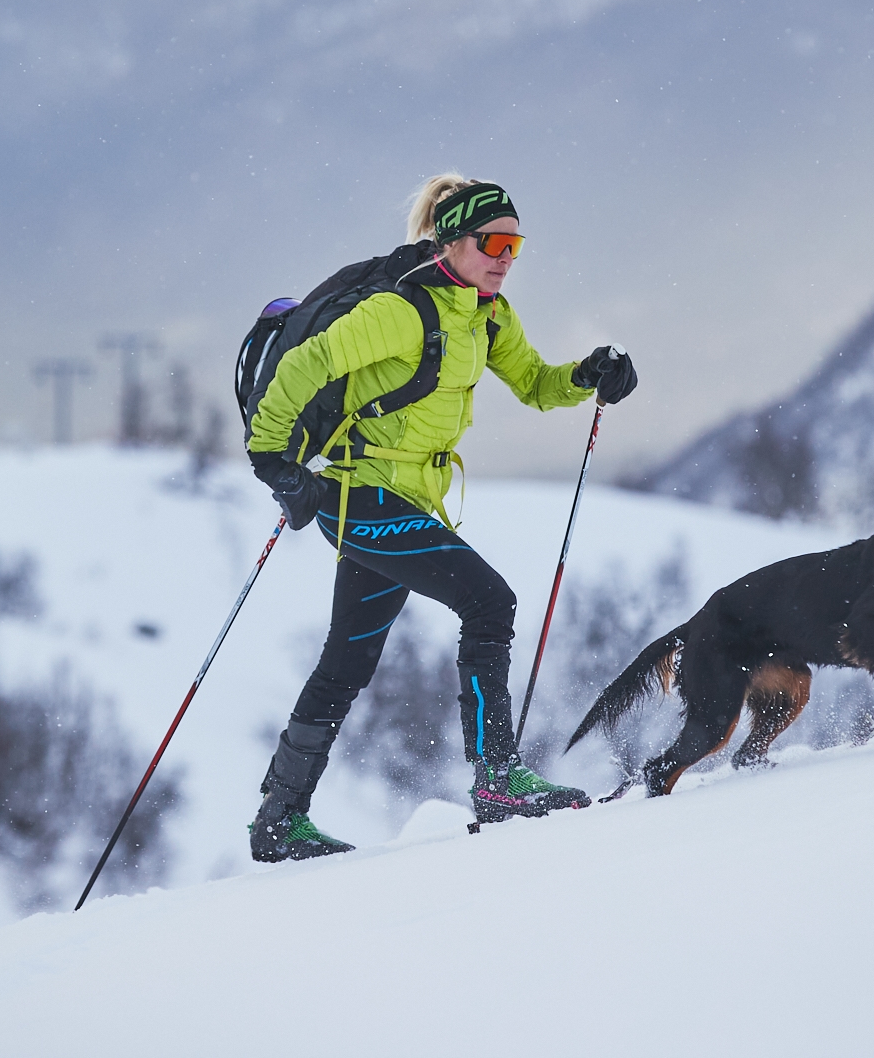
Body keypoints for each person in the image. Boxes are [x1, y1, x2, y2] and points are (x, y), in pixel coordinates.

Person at [245, 175, 639, 861]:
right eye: (493, 241)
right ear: (451, 241)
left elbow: (536, 385)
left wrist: (589, 374)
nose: (506, 255)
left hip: (408, 499)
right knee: (490, 601)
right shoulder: (402, 311)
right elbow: (309, 362)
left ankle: (279, 818)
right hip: (357, 495)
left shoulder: (489, 315)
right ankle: (497, 779)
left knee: (347, 659)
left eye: (516, 242)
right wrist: (272, 460)